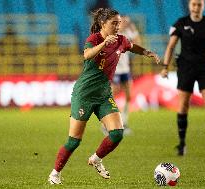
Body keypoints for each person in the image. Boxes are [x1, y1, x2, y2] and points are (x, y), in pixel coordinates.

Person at [48, 8, 160, 184]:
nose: (117, 26)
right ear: (103, 23)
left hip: (103, 94)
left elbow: (132, 46)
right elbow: (86, 55)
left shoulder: (121, 40)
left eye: (119, 23)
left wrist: (147, 53)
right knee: (74, 141)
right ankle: (55, 173)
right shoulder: (94, 39)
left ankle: (97, 159)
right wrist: (104, 44)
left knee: (117, 134)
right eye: (114, 23)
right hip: (84, 94)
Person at [160, 0, 205, 156]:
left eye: (199, 4)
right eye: (194, 4)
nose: (196, 7)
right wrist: (165, 67)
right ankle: (182, 144)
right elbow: (171, 46)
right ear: (189, 6)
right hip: (185, 68)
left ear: (203, 6)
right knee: (183, 107)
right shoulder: (181, 23)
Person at [102, 15, 141, 135]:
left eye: (127, 21)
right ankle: (106, 125)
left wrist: (134, 30)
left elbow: (139, 45)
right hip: (114, 70)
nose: (125, 23)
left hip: (125, 69)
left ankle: (124, 122)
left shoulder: (128, 34)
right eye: (123, 21)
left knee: (129, 96)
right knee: (111, 97)